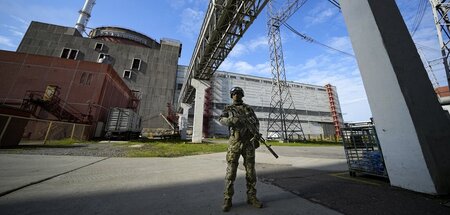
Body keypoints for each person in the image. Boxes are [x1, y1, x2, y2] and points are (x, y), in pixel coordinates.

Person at [219, 86, 263, 212]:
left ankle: (252, 197)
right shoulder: (228, 108)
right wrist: (231, 120)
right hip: (235, 143)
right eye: (233, 94)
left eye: (238, 93)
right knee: (231, 172)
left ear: (242, 95)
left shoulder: (248, 108)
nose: (236, 95)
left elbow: (256, 123)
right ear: (231, 96)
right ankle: (227, 199)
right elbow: (221, 119)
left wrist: (256, 136)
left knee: (251, 172)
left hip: (248, 143)